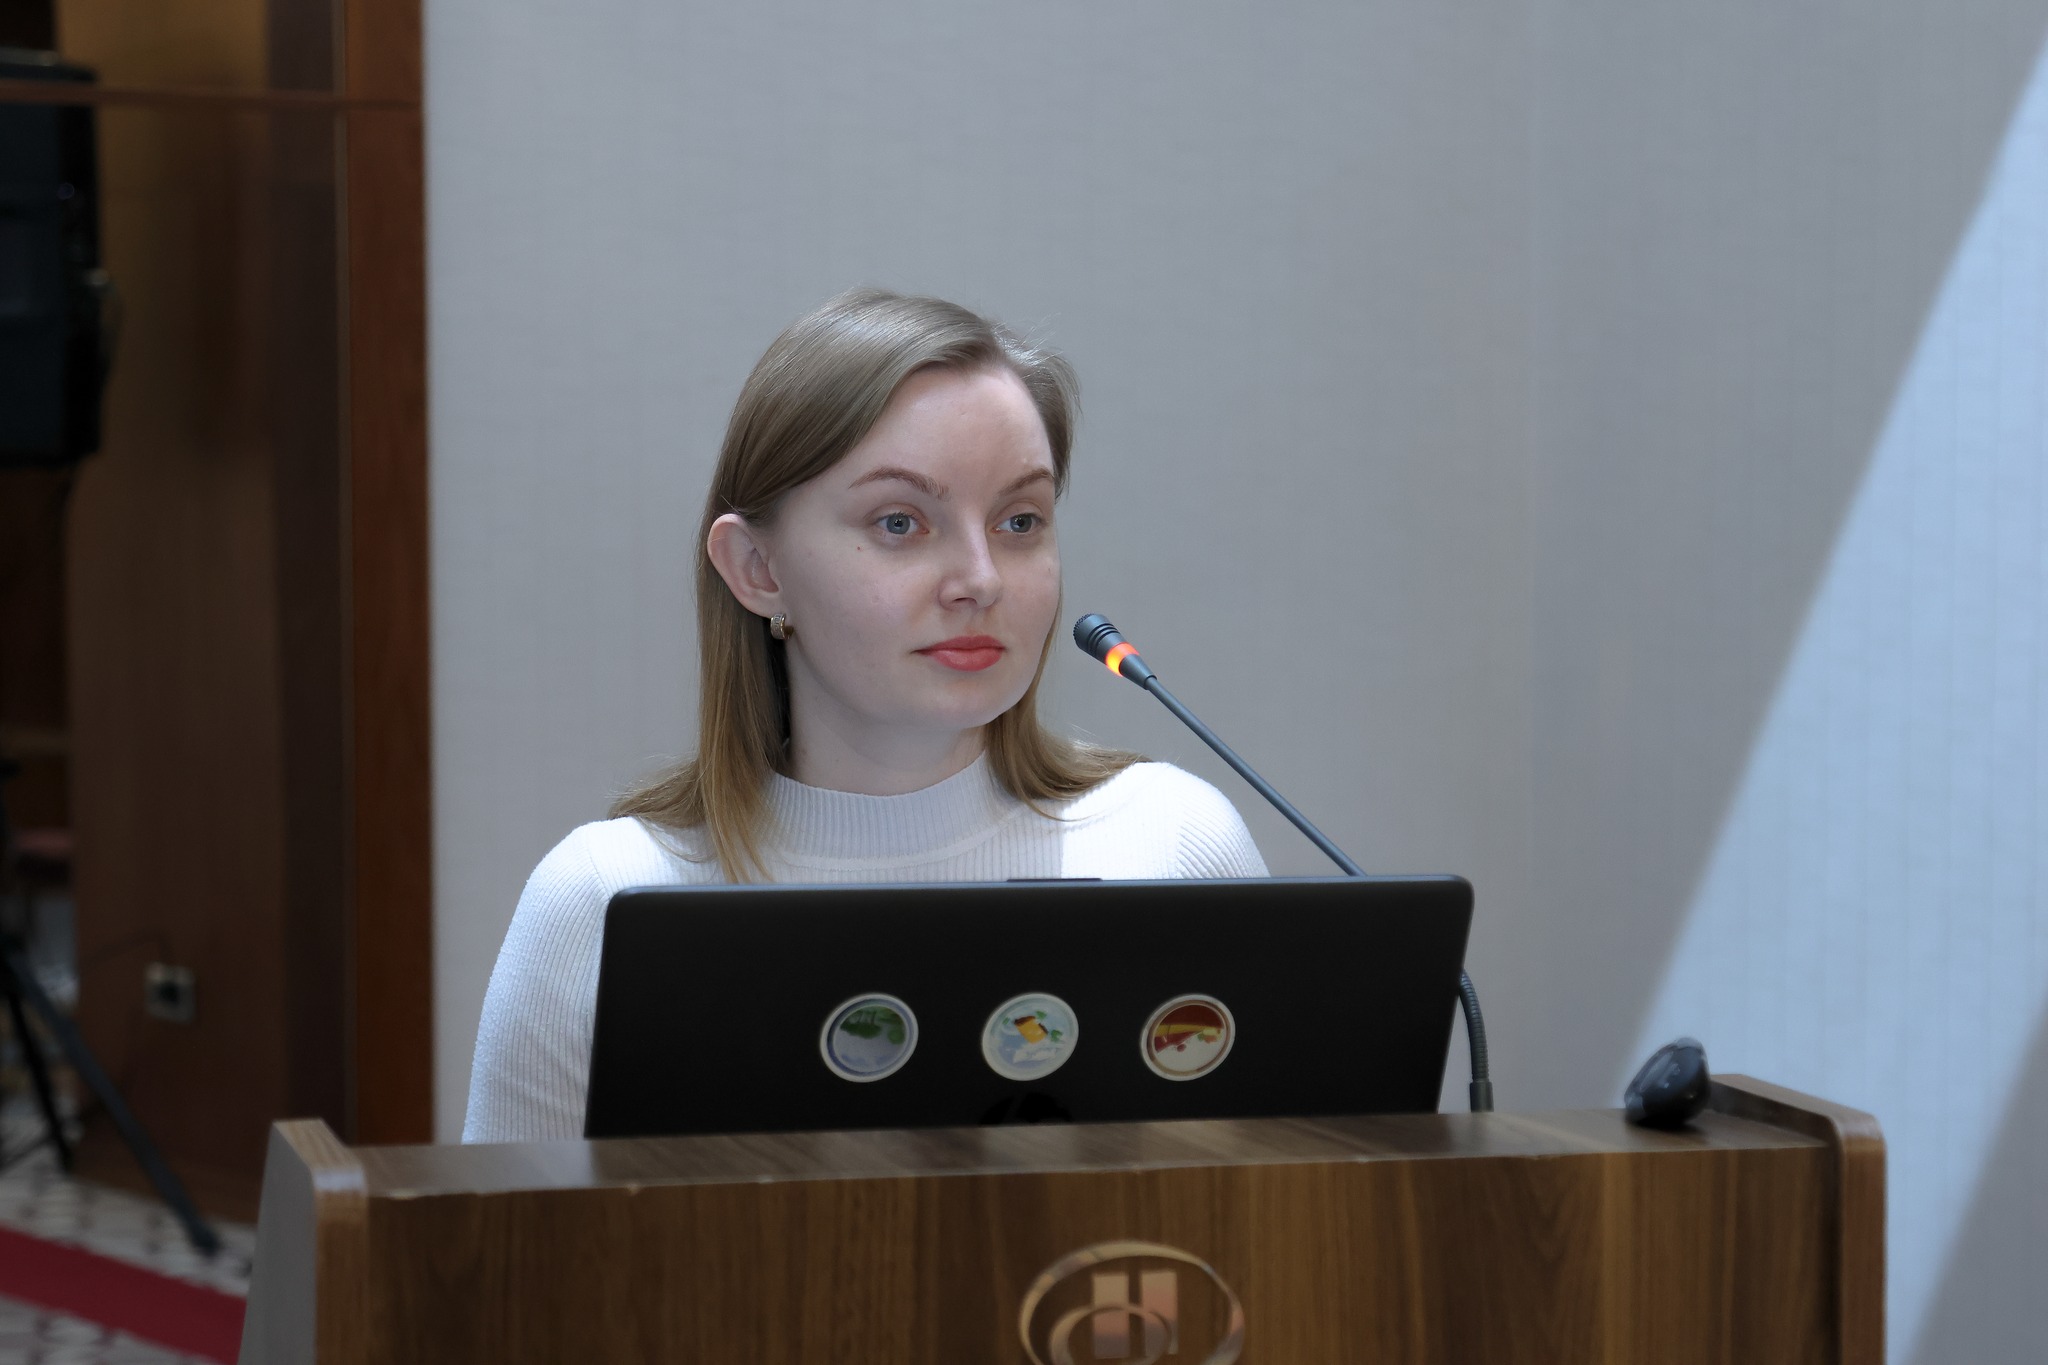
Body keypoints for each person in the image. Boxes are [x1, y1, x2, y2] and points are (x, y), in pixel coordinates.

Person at [463, 288, 1266, 1142]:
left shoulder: (1175, 844)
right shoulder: (605, 898)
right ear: (757, 569)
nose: (981, 578)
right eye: (900, 522)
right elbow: (517, 1231)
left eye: (1019, 520)